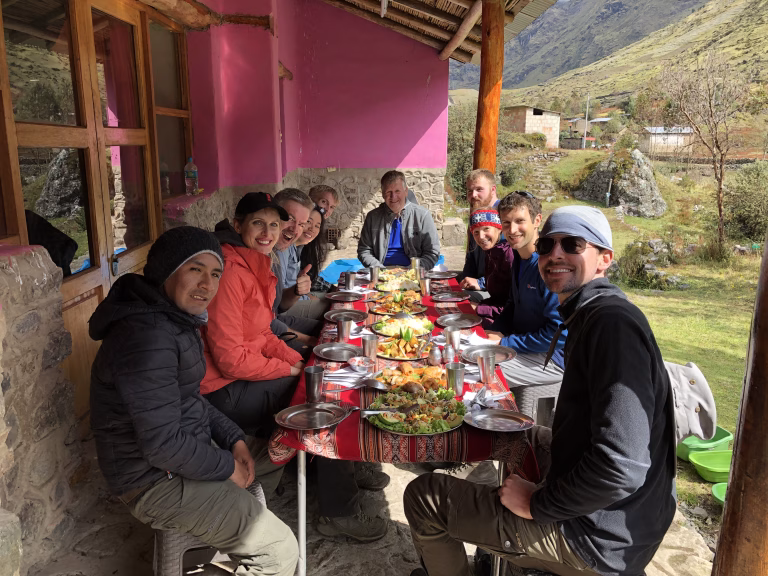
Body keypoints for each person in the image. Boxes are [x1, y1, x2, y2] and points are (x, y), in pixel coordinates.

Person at [403, 206, 676, 576]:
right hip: (608, 514)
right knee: (512, 429)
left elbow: (621, 466)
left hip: (600, 537)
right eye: (547, 245)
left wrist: (537, 503)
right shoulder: (590, 312)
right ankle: (497, 550)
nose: (555, 254)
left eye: (573, 244)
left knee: (424, 497)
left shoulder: (611, 325)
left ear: (604, 260)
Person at [89, 226, 298, 575]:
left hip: (180, 457)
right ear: (165, 272)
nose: (207, 285)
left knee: (278, 450)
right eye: (194, 269)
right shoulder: (147, 337)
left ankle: (240, 523)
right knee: (279, 550)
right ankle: (250, 532)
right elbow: (162, 445)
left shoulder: (170, 320)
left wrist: (233, 439)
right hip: (153, 482)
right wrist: (226, 465)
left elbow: (190, 399)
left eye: (215, 273)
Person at [201, 193, 306, 496]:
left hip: (237, 375)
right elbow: (230, 359)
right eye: (258, 223)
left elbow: (262, 334)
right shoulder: (231, 271)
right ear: (237, 224)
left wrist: (295, 361)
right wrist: (288, 370)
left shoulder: (253, 263)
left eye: (273, 225)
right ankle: (261, 483)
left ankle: (275, 474)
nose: (267, 233)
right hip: (220, 388)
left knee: (309, 373)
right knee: (306, 393)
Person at [484, 192, 567, 387]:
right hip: (524, 345)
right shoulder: (519, 258)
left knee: (479, 369)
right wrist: (494, 332)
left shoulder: (548, 266)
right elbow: (512, 305)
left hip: (552, 358)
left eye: (519, 221)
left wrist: (506, 343)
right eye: (506, 223)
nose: (512, 230)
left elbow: (558, 334)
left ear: (537, 220)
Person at [270, 188, 325, 340]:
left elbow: (279, 306)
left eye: (301, 224)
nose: (295, 229)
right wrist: (309, 341)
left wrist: (297, 291)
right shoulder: (266, 254)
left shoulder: (283, 247)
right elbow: (268, 324)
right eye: (289, 218)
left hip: (276, 323)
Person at [358, 170, 440, 269]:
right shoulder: (372, 217)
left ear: (406, 191)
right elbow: (364, 250)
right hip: (381, 272)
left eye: (397, 191)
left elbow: (432, 252)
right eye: (389, 192)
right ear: (383, 194)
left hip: (413, 273)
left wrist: (412, 271)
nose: (393, 197)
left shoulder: (422, 215)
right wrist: (380, 270)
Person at [467, 208, 514, 329]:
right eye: (476, 232)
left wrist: (479, 308)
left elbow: (513, 307)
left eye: (486, 229)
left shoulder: (509, 256)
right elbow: (496, 297)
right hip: (495, 309)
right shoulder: (491, 253)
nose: (481, 236)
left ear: (499, 228)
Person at [458, 170, 500, 303]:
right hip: (478, 285)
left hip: (497, 290)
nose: (473, 195)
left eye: (479, 189)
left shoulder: (504, 217)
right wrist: (464, 281)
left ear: (493, 190)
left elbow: (509, 268)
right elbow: (471, 257)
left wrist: (481, 283)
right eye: (470, 191)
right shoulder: (475, 216)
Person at [297, 204, 333, 293]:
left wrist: (332, 288)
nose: (312, 229)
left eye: (317, 226)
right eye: (308, 222)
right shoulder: (286, 249)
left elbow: (311, 278)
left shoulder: (304, 247)